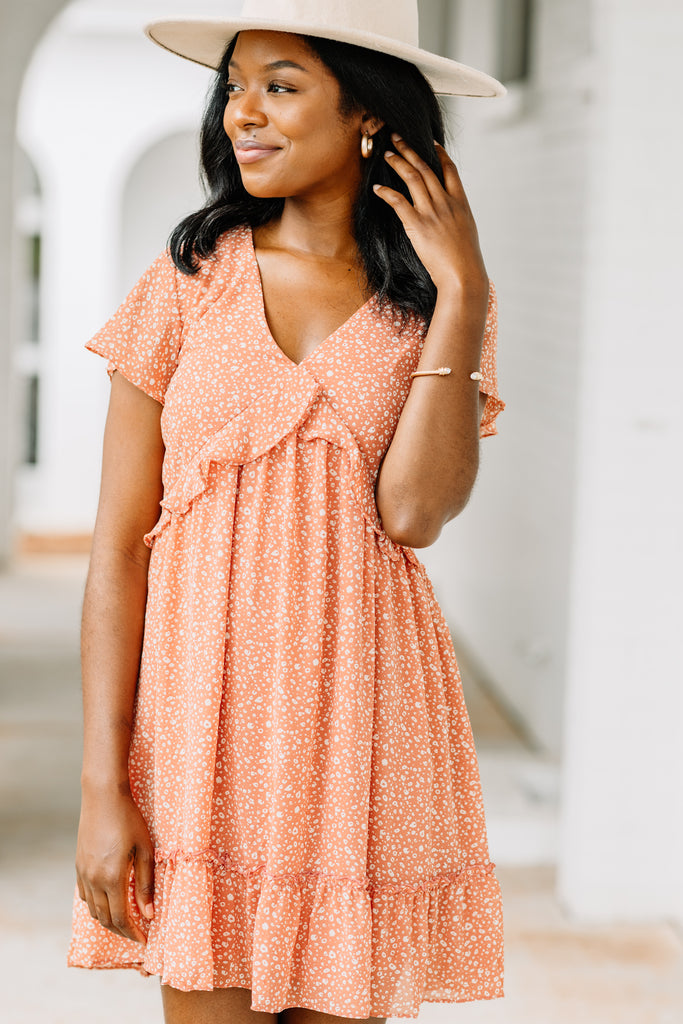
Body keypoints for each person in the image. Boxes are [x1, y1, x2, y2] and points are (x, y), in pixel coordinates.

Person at [67, 2, 507, 1022]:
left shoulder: (427, 304)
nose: (242, 113)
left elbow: (414, 511)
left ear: (364, 111)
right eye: (234, 85)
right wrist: (102, 783)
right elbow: (116, 552)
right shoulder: (183, 286)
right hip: (200, 736)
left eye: (280, 83)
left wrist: (464, 294)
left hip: (362, 728)